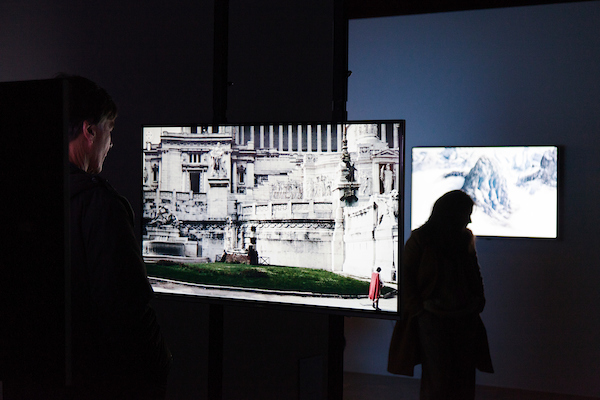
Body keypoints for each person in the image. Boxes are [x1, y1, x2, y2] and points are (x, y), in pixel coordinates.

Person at [65, 75, 172, 399]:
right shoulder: (100, 204)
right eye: (110, 131)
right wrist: (160, 365)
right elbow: (127, 311)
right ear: (90, 131)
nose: (111, 144)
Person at [388, 190, 493, 399]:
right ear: (452, 213)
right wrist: (421, 309)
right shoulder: (421, 239)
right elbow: (406, 278)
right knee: (438, 380)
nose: (469, 220)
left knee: (462, 379)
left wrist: (477, 301)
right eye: (466, 213)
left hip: (463, 319)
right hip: (433, 321)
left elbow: (474, 274)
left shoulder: (464, 239)